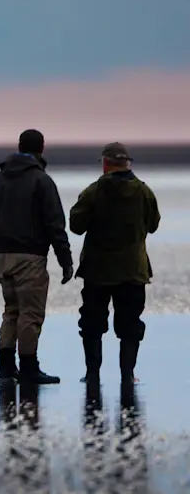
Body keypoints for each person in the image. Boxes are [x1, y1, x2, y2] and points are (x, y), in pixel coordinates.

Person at [69, 143, 160, 387]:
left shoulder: (93, 192)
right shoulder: (144, 192)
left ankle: (92, 374)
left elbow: (76, 226)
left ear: (105, 163)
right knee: (130, 325)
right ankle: (127, 375)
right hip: (133, 271)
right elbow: (153, 225)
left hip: (97, 271)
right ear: (127, 163)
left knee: (91, 324)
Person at [0, 129, 72, 385]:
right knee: (30, 315)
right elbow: (55, 224)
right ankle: (28, 368)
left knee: (11, 312)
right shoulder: (41, 180)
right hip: (30, 257)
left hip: (3, 256)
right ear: (42, 148)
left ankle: (5, 369)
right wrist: (65, 260)